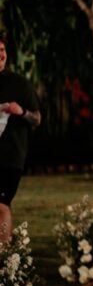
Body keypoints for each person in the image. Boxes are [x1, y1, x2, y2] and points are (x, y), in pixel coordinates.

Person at [0, 36, 42, 245]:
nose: (0, 55)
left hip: (10, 156)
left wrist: (21, 111)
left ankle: (4, 261)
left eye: (2, 49)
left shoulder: (19, 84)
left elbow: (37, 119)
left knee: (1, 204)